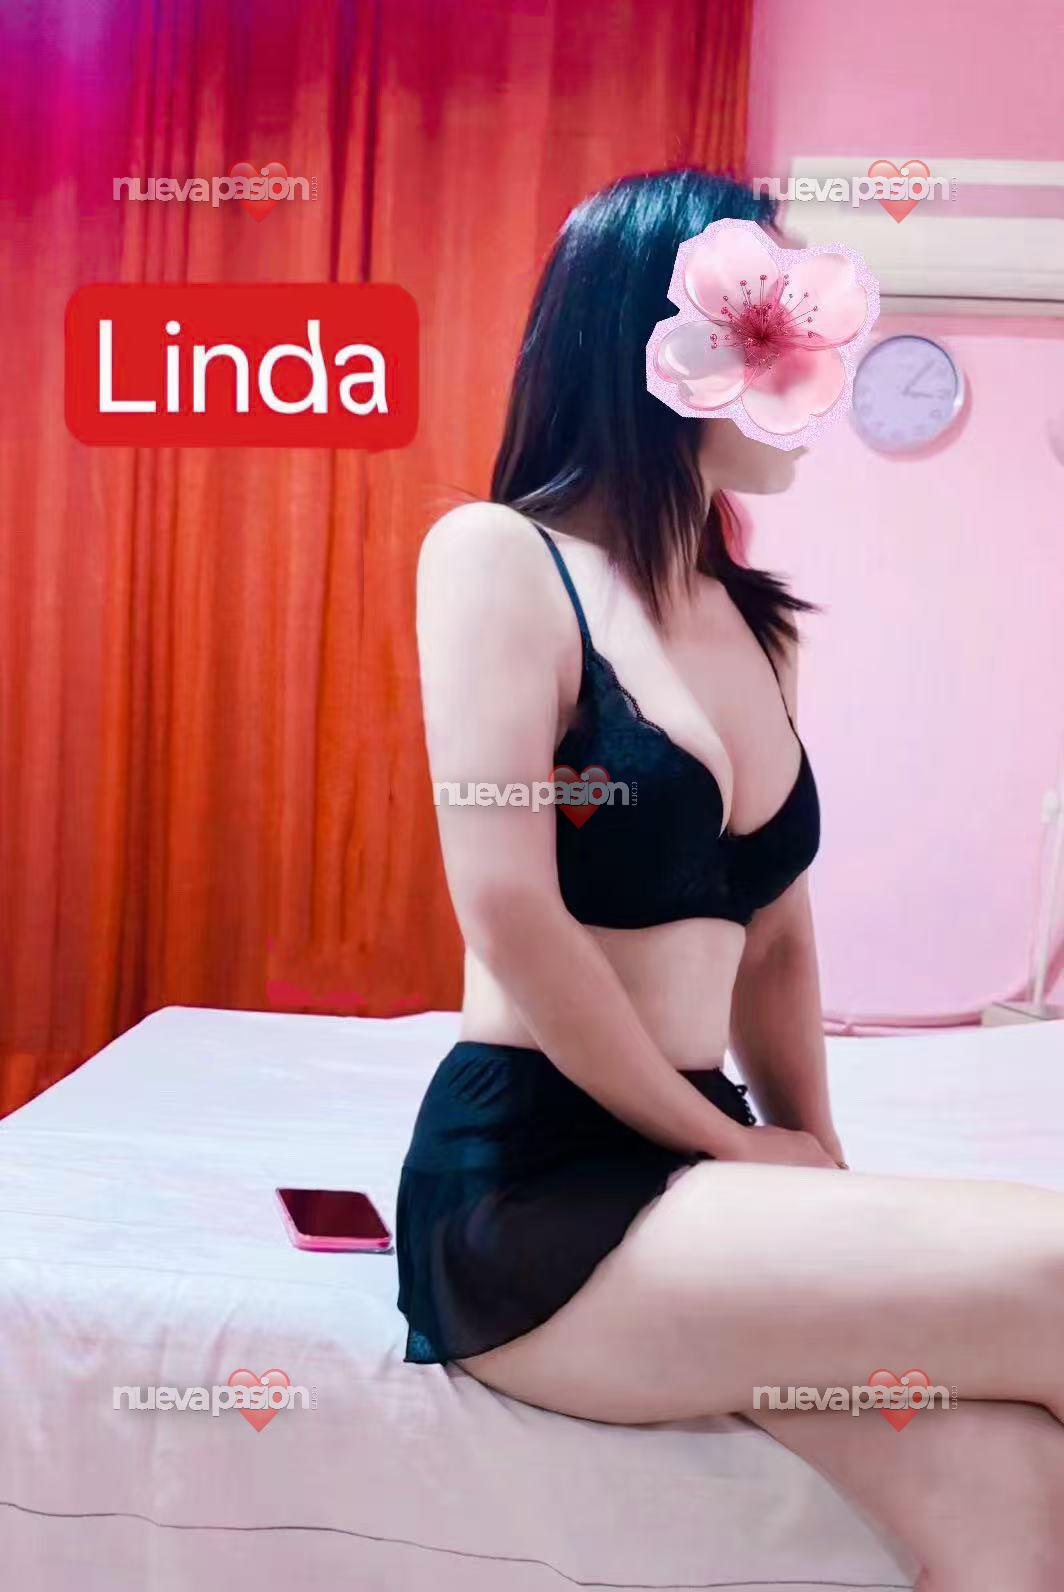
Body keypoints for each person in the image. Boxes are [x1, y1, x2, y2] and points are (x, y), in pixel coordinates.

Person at [397, 168, 1064, 1592]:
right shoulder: (499, 558)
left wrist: (812, 1158)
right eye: (780, 338)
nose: (811, 379)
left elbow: (775, 945)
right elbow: (508, 908)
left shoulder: (759, 628)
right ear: (673, 352)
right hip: (537, 1192)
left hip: (704, 1167)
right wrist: (732, 1149)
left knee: (1016, 1499)